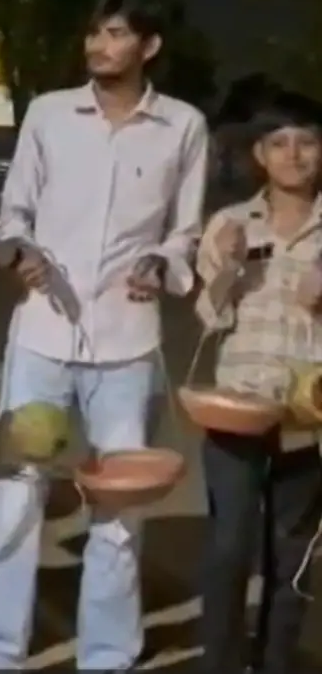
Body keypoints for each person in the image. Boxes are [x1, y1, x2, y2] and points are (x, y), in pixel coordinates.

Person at [0, 0, 209, 671]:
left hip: (127, 346)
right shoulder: (48, 114)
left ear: (149, 46)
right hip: (40, 339)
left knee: (119, 514)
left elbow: (184, 234)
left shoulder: (184, 127)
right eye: (95, 31)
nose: (99, 45)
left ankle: (107, 657)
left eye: (117, 33)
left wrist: (160, 265)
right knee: (15, 502)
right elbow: (12, 215)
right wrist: (21, 253)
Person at [194, 91, 322, 674]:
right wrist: (227, 268)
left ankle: (275, 662)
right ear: (260, 156)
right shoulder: (230, 223)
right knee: (230, 546)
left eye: (307, 142)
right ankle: (219, 663)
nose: (293, 155)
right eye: (279, 143)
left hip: (307, 417)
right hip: (237, 408)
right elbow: (209, 318)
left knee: (291, 553)